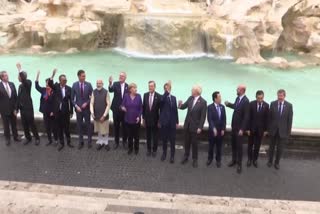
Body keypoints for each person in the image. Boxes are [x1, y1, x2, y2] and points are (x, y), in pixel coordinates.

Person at [179, 85, 207, 168]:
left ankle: (195, 159)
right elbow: (183, 107)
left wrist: (200, 127)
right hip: (187, 125)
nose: (191, 91)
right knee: (186, 142)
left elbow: (203, 116)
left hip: (195, 127)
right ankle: (186, 156)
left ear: (196, 92)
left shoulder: (203, 102)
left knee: (194, 144)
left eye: (192, 90)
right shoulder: (190, 98)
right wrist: (180, 105)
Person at [225, 84, 250, 174]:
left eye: (238, 89)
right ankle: (234, 160)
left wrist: (242, 129)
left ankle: (239, 165)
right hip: (234, 127)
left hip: (239, 129)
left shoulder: (246, 101)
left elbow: (246, 117)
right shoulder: (238, 98)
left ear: (242, 90)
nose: (236, 90)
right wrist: (228, 104)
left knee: (239, 147)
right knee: (234, 145)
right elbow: (236, 107)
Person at [48, 69, 74, 151]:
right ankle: (61, 143)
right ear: (60, 81)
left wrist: (71, 111)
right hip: (57, 112)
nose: (65, 81)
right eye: (63, 80)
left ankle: (69, 142)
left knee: (67, 128)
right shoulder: (55, 87)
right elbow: (49, 83)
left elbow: (71, 101)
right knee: (59, 128)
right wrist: (52, 75)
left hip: (66, 111)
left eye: (66, 80)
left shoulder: (69, 88)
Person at [267, 89, 293, 170]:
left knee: (280, 149)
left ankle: (277, 162)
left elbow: (289, 120)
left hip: (282, 132)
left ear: (284, 96)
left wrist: (288, 133)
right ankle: (270, 161)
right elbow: (269, 118)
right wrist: (268, 129)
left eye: (281, 96)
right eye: (278, 95)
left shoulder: (289, 106)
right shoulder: (272, 104)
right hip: (273, 131)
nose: (280, 97)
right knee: (271, 147)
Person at [16, 63, 40, 145]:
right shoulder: (20, 86)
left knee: (31, 123)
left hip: (28, 108)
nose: (18, 77)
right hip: (22, 109)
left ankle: (37, 138)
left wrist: (20, 70)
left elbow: (23, 79)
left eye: (19, 76)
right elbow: (18, 98)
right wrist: (17, 109)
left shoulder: (28, 83)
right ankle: (28, 138)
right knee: (24, 124)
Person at [71, 70, 93, 149]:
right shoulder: (74, 85)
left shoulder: (89, 85)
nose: (84, 77)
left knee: (88, 126)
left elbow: (92, 97)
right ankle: (81, 142)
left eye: (85, 76)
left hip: (87, 109)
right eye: (83, 76)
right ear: (79, 76)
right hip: (78, 110)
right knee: (79, 126)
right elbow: (72, 99)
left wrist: (87, 103)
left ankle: (89, 141)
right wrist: (76, 106)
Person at [35, 70, 58, 146]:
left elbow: (55, 103)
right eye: (46, 83)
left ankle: (55, 140)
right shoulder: (43, 90)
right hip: (45, 112)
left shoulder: (54, 91)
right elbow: (36, 86)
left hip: (52, 113)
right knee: (47, 127)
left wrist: (52, 75)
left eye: (48, 83)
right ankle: (49, 140)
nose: (47, 84)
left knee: (54, 127)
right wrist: (37, 76)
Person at [247, 90, 269, 168]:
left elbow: (267, 119)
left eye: (261, 98)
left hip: (260, 130)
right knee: (250, 145)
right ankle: (249, 159)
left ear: (263, 97)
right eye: (259, 98)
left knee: (257, 146)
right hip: (252, 129)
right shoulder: (251, 104)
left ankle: (255, 160)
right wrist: (248, 129)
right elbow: (248, 117)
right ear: (256, 97)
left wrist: (266, 130)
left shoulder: (266, 105)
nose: (260, 100)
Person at [159, 81, 179, 163]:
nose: (168, 89)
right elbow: (161, 103)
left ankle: (172, 156)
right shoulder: (162, 97)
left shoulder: (174, 98)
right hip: (164, 122)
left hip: (172, 122)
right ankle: (164, 153)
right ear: (164, 89)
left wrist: (177, 121)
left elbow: (175, 110)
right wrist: (166, 92)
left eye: (169, 88)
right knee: (164, 139)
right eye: (166, 88)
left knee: (172, 140)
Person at [121, 83, 142, 155]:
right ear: (130, 89)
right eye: (134, 88)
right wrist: (122, 108)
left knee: (136, 136)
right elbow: (122, 105)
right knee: (129, 136)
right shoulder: (126, 96)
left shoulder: (139, 96)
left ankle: (136, 148)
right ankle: (130, 148)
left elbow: (141, 108)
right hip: (128, 119)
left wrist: (139, 117)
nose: (136, 89)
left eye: (136, 88)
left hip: (136, 120)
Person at [109, 72, 128, 150]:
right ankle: (116, 142)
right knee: (116, 126)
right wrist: (110, 83)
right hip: (116, 109)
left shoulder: (127, 86)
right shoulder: (115, 84)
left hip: (124, 110)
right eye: (120, 76)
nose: (120, 77)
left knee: (125, 127)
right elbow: (110, 90)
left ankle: (124, 142)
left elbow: (129, 98)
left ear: (125, 78)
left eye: (122, 76)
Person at [0, 71, 20, 145]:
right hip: (4, 110)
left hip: (13, 109)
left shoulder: (12, 84)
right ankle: (7, 139)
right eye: (5, 76)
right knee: (6, 125)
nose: (7, 76)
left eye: (7, 75)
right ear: (1, 78)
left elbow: (15, 97)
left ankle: (16, 137)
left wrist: (16, 108)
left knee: (14, 124)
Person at [207, 91, 226, 168]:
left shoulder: (222, 107)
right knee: (211, 146)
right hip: (212, 131)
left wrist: (223, 129)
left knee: (219, 147)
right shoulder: (210, 107)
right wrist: (213, 128)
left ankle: (218, 160)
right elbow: (210, 119)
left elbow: (224, 119)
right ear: (215, 99)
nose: (221, 98)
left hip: (220, 131)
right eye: (219, 97)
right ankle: (210, 159)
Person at [90, 80, 111, 151]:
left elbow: (108, 104)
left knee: (105, 130)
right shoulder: (93, 92)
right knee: (99, 130)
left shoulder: (106, 92)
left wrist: (104, 115)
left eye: (100, 83)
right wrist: (92, 113)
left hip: (104, 116)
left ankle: (106, 143)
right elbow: (91, 103)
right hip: (96, 115)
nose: (98, 85)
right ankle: (100, 142)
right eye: (97, 83)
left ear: (102, 84)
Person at [142, 81, 161, 157]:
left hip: (156, 120)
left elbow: (161, 110)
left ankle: (154, 150)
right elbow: (143, 107)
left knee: (155, 136)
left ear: (154, 87)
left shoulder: (159, 96)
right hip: (147, 120)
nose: (150, 87)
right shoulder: (145, 95)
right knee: (148, 136)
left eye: (152, 86)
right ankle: (149, 150)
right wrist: (143, 118)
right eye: (149, 86)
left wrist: (160, 121)